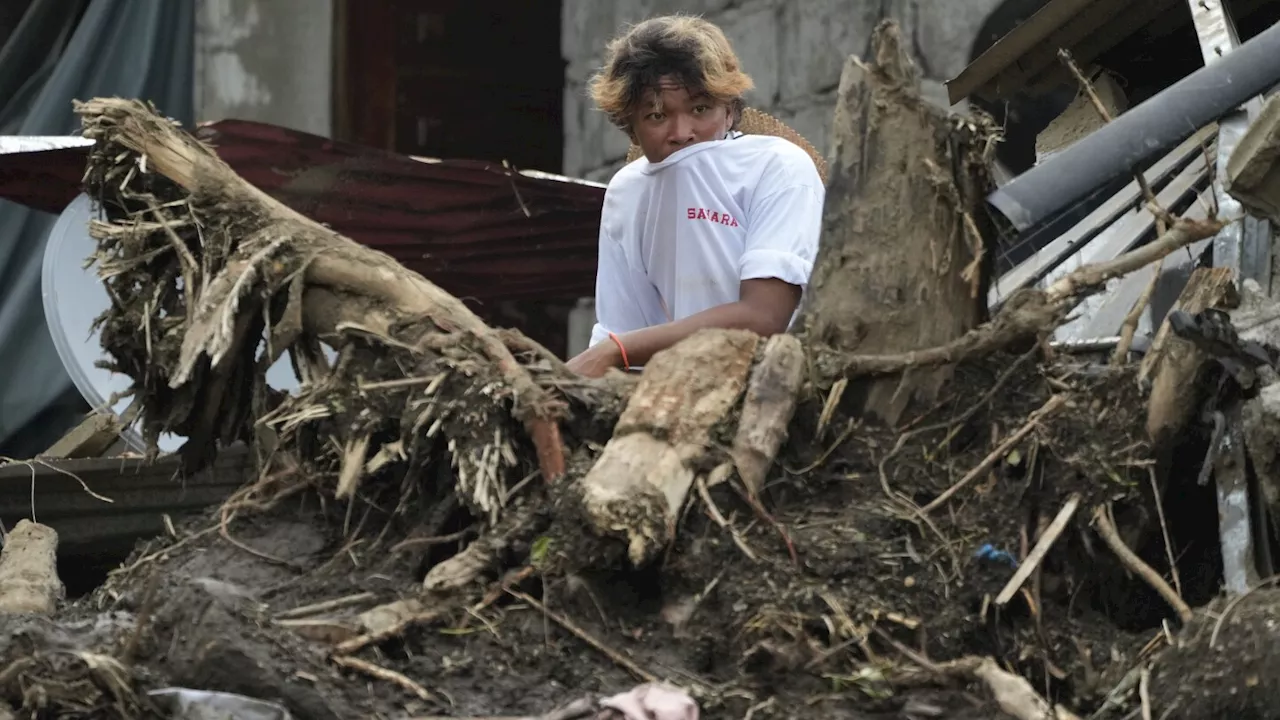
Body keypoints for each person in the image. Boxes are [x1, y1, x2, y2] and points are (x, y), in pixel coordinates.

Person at [564, 14, 826, 378]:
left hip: (781, 385)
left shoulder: (777, 166)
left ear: (731, 111)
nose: (682, 132)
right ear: (632, 129)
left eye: (700, 109)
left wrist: (617, 350)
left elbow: (765, 317)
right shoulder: (628, 192)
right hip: (672, 392)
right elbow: (621, 328)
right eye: (656, 116)